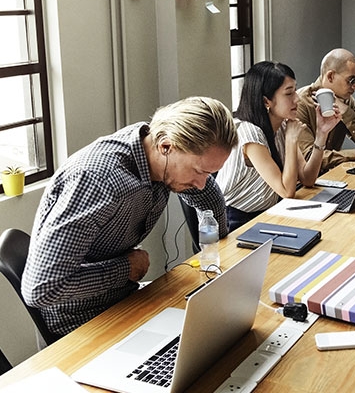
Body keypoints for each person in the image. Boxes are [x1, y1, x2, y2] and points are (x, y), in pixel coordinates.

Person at [22, 96, 237, 337]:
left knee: (220, 332)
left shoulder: (153, 147)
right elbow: (42, 289)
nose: (200, 184)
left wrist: (219, 248)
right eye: (198, 171)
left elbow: (208, 195)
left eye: (210, 173)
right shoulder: (97, 181)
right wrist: (126, 268)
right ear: (166, 147)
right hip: (81, 322)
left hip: (125, 297)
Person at [215, 61, 340, 232]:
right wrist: (291, 141)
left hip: (268, 212)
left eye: (295, 90)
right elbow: (286, 191)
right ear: (267, 101)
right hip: (236, 220)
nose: (297, 98)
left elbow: (308, 179)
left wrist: (321, 134)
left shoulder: (283, 125)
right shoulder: (249, 133)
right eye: (289, 93)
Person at [296, 48, 355, 173]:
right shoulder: (300, 103)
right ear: (330, 76)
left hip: (331, 175)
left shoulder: (346, 101)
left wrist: (345, 111)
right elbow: (308, 157)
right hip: (304, 183)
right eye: (351, 80)